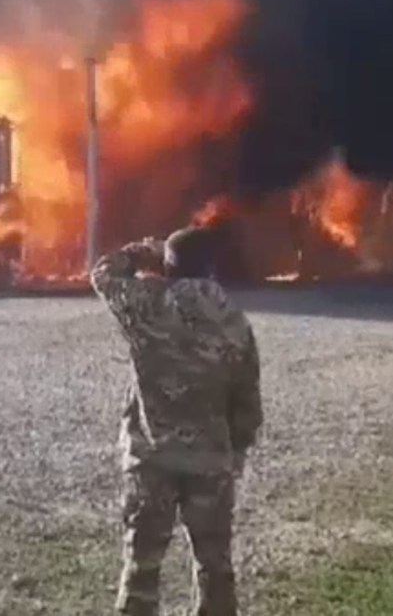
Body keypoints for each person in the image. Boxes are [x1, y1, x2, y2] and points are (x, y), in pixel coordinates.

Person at [91, 226, 263, 616]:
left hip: (151, 460)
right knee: (214, 567)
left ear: (168, 267)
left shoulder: (147, 304)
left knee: (141, 569)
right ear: (211, 268)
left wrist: (140, 252)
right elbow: (247, 396)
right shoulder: (232, 318)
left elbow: (102, 274)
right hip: (210, 460)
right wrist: (237, 450)